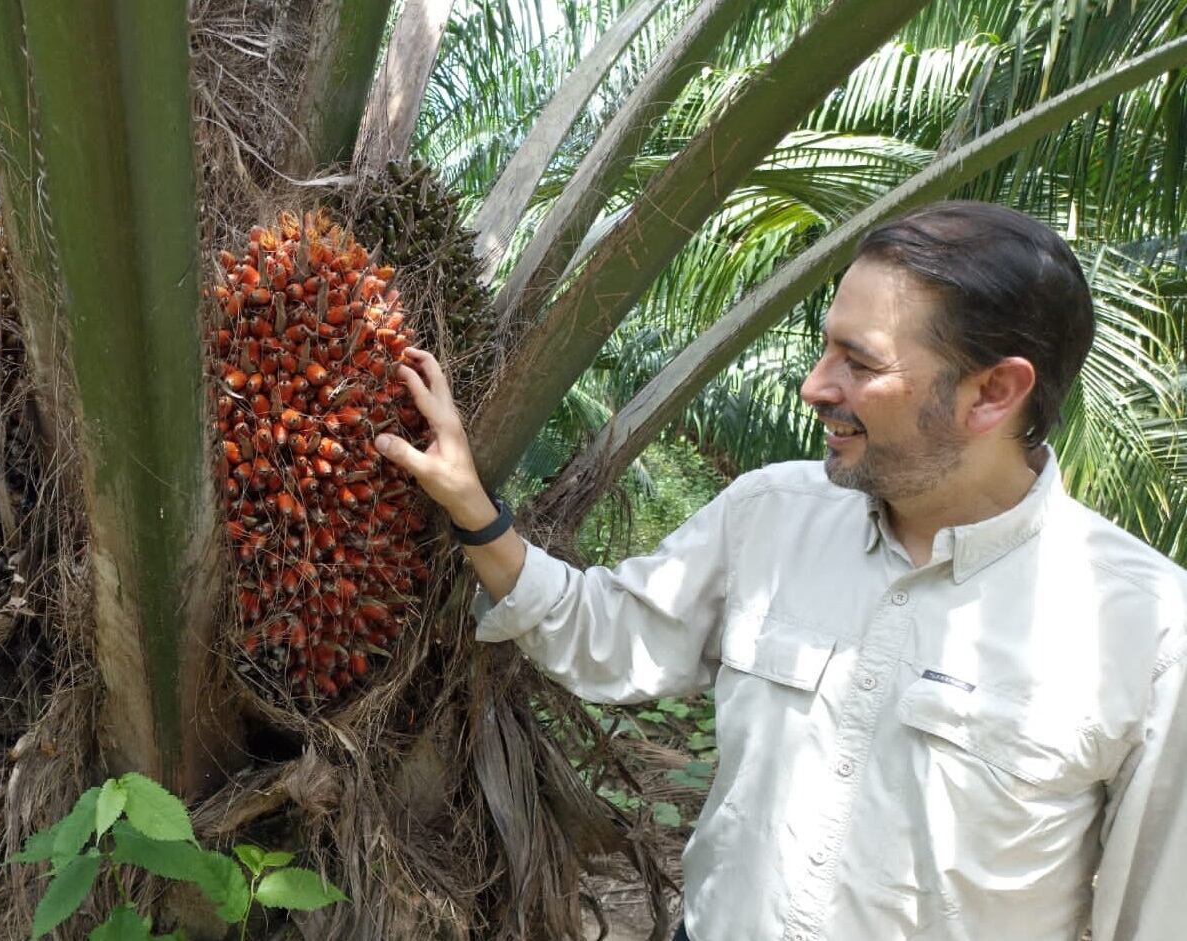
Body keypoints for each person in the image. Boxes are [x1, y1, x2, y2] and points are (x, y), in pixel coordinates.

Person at [374, 201, 1187, 941]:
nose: (814, 385)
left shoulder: (1147, 630)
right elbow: (605, 634)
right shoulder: (770, 513)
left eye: (857, 362)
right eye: (823, 344)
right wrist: (471, 506)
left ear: (992, 392)